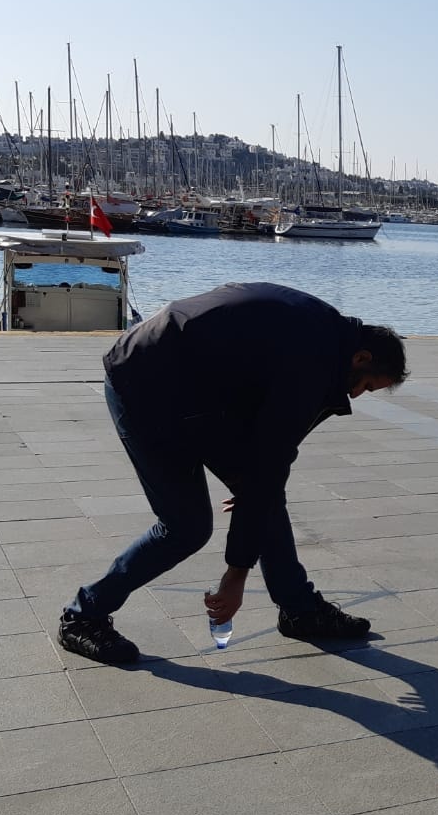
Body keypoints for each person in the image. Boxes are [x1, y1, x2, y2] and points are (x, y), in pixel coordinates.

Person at [56, 282, 409, 665]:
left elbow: (269, 457)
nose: (355, 396)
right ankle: (83, 615)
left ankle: (300, 610)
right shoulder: (312, 363)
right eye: (366, 386)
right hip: (144, 388)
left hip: (197, 391)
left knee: (264, 494)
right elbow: (270, 456)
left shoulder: (325, 334)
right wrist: (235, 575)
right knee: (186, 527)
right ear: (361, 357)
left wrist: (252, 486)